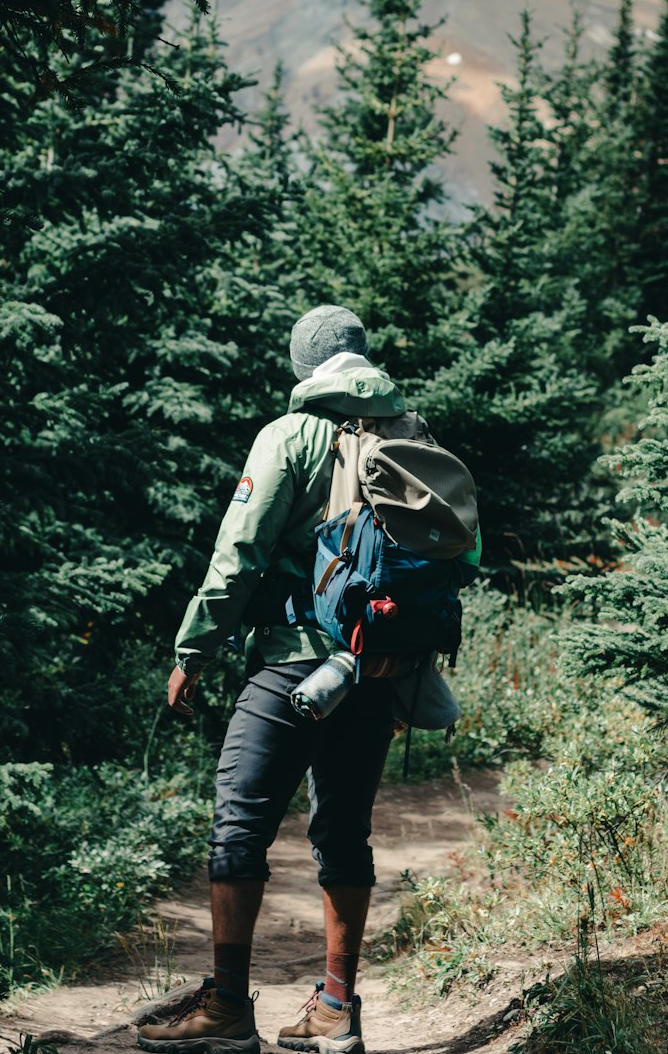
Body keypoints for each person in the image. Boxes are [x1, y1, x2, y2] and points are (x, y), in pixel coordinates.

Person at [138, 305, 411, 1054]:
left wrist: (191, 650)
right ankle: (335, 1007)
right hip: (374, 669)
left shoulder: (290, 435)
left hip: (294, 660)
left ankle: (227, 1008)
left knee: (239, 822)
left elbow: (238, 556)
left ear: (305, 365)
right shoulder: (412, 436)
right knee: (344, 833)